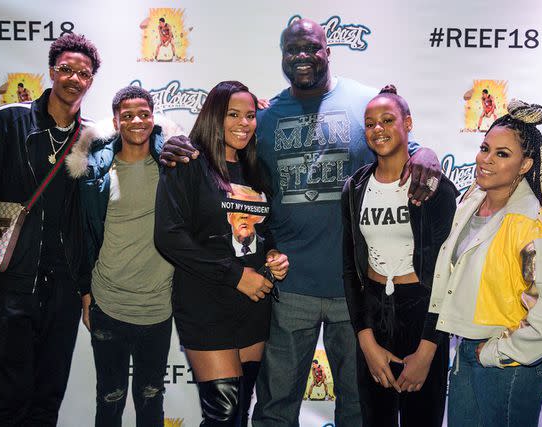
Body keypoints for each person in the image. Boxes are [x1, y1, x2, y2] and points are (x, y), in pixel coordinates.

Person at [159, 18, 442, 427]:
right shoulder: (266, 116)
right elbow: (220, 147)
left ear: (327, 50)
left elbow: (406, 145)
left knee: (358, 409)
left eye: (311, 47)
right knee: (275, 409)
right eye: (292, 50)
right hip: (288, 288)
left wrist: (428, 153)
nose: (302, 57)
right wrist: (167, 141)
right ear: (282, 57)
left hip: (355, 289)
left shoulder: (364, 101)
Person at [0, 33, 100, 426]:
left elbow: (92, 222)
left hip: (64, 292)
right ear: (52, 71)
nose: (73, 78)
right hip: (10, 285)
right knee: (7, 404)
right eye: (66, 69)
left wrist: (85, 289)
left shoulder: (91, 141)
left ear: (91, 81)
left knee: (46, 403)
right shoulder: (8, 121)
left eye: (83, 73)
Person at [429, 99, 542, 427]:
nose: (486, 159)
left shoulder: (532, 226)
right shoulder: (471, 202)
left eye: (502, 154)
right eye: (485, 148)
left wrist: (496, 351)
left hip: (509, 366)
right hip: (468, 353)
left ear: (525, 165)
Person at [155, 80, 289, 426]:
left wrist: (273, 254)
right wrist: (235, 275)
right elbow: (168, 237)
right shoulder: (187, 162)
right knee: (223, 416)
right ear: (215, 115)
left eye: (250, 115)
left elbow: (264, 229)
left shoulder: (257, 169)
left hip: (254, 306)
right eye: (233, 114)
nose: (244, 123)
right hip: (206, 303)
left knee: (240, 412)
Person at [342, 86, 457, 426]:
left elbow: (446, 275)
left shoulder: (434, 187)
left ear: (408, 123)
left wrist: (428, 350)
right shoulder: (355, 188)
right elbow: (350, 270)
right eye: (370, 123)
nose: (378, 129)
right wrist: (365, 339)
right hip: (374, 315)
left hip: (422, 315)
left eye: (388, 120)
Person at [66, 85, 181, 427]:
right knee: (109, 400)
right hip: (108, 305)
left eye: (144, 114)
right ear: (115, 122)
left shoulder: (172, 167)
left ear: (153, 118)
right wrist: (86, 292)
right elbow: (85, 237)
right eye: (127, 115)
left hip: (158, 307)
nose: (136, 121)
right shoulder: (96, 174)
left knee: (150, 402)